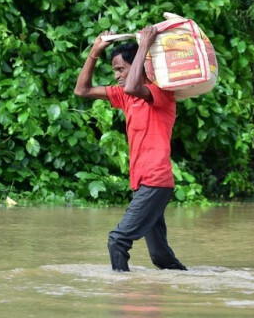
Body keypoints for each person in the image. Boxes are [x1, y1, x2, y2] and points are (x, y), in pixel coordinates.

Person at [74, 26, 187, 272]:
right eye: (115, 70)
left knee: (117, 240)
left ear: (138, 64)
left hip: (155, 181)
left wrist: (144, 46)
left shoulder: (161, 93)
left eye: (120, 69)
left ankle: (120, 290)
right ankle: (190, 287)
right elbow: (81, 90)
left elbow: (134, 87)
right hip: (144, 183)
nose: (116, 75)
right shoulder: (126, 97)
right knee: (161, 258)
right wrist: (94, 52)